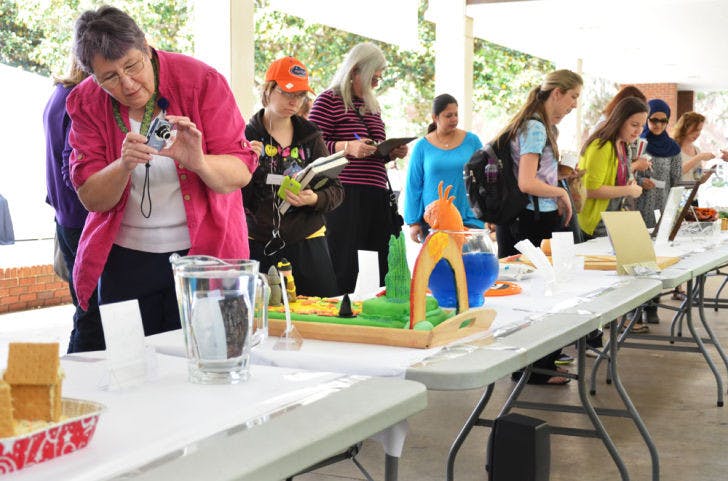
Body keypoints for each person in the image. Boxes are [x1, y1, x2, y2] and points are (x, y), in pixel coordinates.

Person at [66, 6, 258, 351]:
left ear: (146, 47)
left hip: (204, 259)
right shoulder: (85, 102)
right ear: (92, 77)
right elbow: (92, 198)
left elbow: (240, 172)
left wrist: (199, 162)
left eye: (132, 66)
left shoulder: (201, 81)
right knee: (119, 371)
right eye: (109, 77)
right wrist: (122, 166)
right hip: (125, 261)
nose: (127, 84)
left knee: (204, 363)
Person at [494, 69, 583, 385]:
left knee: (538, 291)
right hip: (532, 221)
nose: (574, 105)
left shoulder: (535, 124)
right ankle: (534, 369)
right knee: (539, 293)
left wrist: (560, 176)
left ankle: (538, 363)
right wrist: (560, 191)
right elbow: (527, 181)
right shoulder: (535, 127)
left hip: (529, 219)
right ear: (556, 93)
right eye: (573, 97)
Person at [308, 42, 408, 295]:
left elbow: (374, 149)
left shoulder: (372, 107)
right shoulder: (329, 100)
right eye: (373, 77)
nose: (377, 83)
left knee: (380, 263)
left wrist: (390, 151)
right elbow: (310, 146)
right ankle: (338, 315)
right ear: (355, 71)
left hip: (376, 194)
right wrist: (347, 147)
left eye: (379, 78)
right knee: (344, 263)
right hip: (345, 194)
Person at [243, 56, 342, 297]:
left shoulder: (312, 136)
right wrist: (248, 165)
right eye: (287, 93)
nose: (294, 101)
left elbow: (336, 190)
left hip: (308, 241)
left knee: (322, 317)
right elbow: (234, 194)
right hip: (259, 242)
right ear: (268, 90)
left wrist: (313, 199)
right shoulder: (245, 134)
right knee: (265, 320)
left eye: (300, 95)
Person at [43, 56, 103, 353]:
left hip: (66, 217)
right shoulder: (78, 99)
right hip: (82, 219)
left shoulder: (58, 94)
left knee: (87, 310)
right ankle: (76, 388)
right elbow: (75, 172)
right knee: (92, 316)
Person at [404, 93, 483, 243]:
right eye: (448, 116)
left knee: (469, 265)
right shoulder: (422, 146)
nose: (454, 119)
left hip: (469, 218)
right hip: (434, 222)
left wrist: (490, 213)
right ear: (435, 117)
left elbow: (484, 178)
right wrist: (413, 222)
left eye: (456, 114)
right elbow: (413, 186)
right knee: (440, 265)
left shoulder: (472, 141)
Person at [578, 97, 647, 240]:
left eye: (642, 126)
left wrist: (629, 184)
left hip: (615, 222)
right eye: (634, 125)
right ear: (620, 120)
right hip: (596, 225)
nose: (638, 131)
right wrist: (628, 190)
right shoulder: (601, 146)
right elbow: (590, 190)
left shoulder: (624, 145)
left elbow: (618, 181)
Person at [673, 111, 728, 182]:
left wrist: (710, 171)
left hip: (692, 193)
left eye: (700, 130)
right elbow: (675, 174)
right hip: (676, 192)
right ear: (685, 127)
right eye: (696, 130)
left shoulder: (696, 150)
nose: (698, 134)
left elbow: (698, 179)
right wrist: (699, 157)